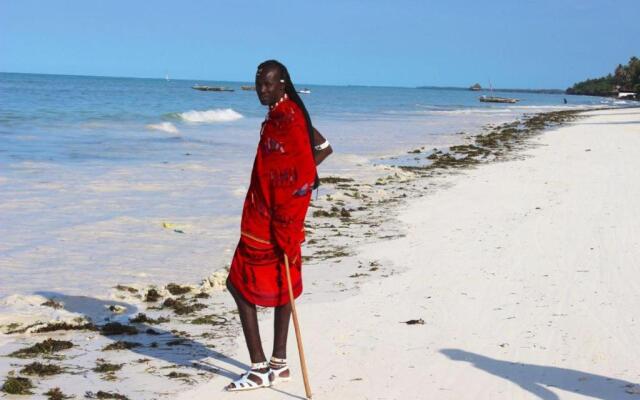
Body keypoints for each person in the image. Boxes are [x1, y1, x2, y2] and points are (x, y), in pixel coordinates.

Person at [225, 60, 332, 391]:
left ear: (283, 83)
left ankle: (259, 368)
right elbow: (323, 149)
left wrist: (285, 208)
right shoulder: (285, 115)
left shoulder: (287, 119)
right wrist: (288, 183)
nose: (262, 89)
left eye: (269, 84)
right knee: (281, 282)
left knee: (238, 284)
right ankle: (279, 364)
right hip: (274, 218)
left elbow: (303, 170)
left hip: (271, 221)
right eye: (259, 84)